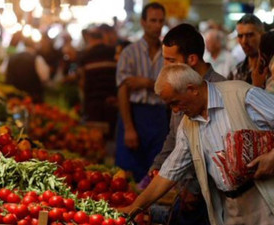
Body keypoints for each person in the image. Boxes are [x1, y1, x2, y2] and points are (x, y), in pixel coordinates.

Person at [120, 63, 274, 225]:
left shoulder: (241, 95)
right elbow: (169, 173)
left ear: (192, 89)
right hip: (230, 208)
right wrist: (134, 208)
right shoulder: (188, 125)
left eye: (175, 102)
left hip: (265, 200)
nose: (175, 111)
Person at [148, 23, 226, 225]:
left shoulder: (219, 90)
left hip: (212, 197)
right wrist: (158, 164)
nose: (165, 67)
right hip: (184, 188)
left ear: (191, 59)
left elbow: (215, 150)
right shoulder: (177, 85)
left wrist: (193, 188)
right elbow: (174, 135)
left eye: (171, 60)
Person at [115, 2, 168, 182]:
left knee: (155, 172)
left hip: (159, 116)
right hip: (134, 114)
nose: (157, 25)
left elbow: (171, 89)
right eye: (153, 20)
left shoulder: (167, 54)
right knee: (129, 174)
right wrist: (129, 128)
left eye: (160, 21)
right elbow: (123, 91)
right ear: (143, 22)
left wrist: (146, 83)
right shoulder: (129, 53)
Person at [77, 27, 117, 140]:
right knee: (109, 141)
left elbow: (82, 82)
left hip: (92, 106)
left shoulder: (85, 56)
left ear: (89, 39)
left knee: (94, 144)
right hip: (112, 105)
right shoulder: (113, 52)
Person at [5, 38, 50, 103]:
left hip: (12, 98)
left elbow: (3, 71)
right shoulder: (38, 59)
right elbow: (45, 78)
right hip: (32, 99)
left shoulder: (12, 57)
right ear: (34, 45)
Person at [228, 14, 264, 86]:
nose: (244, 41)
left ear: (262, 35)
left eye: (250, 35)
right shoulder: (236, 71)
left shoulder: (270, 69)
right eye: (240, 36)